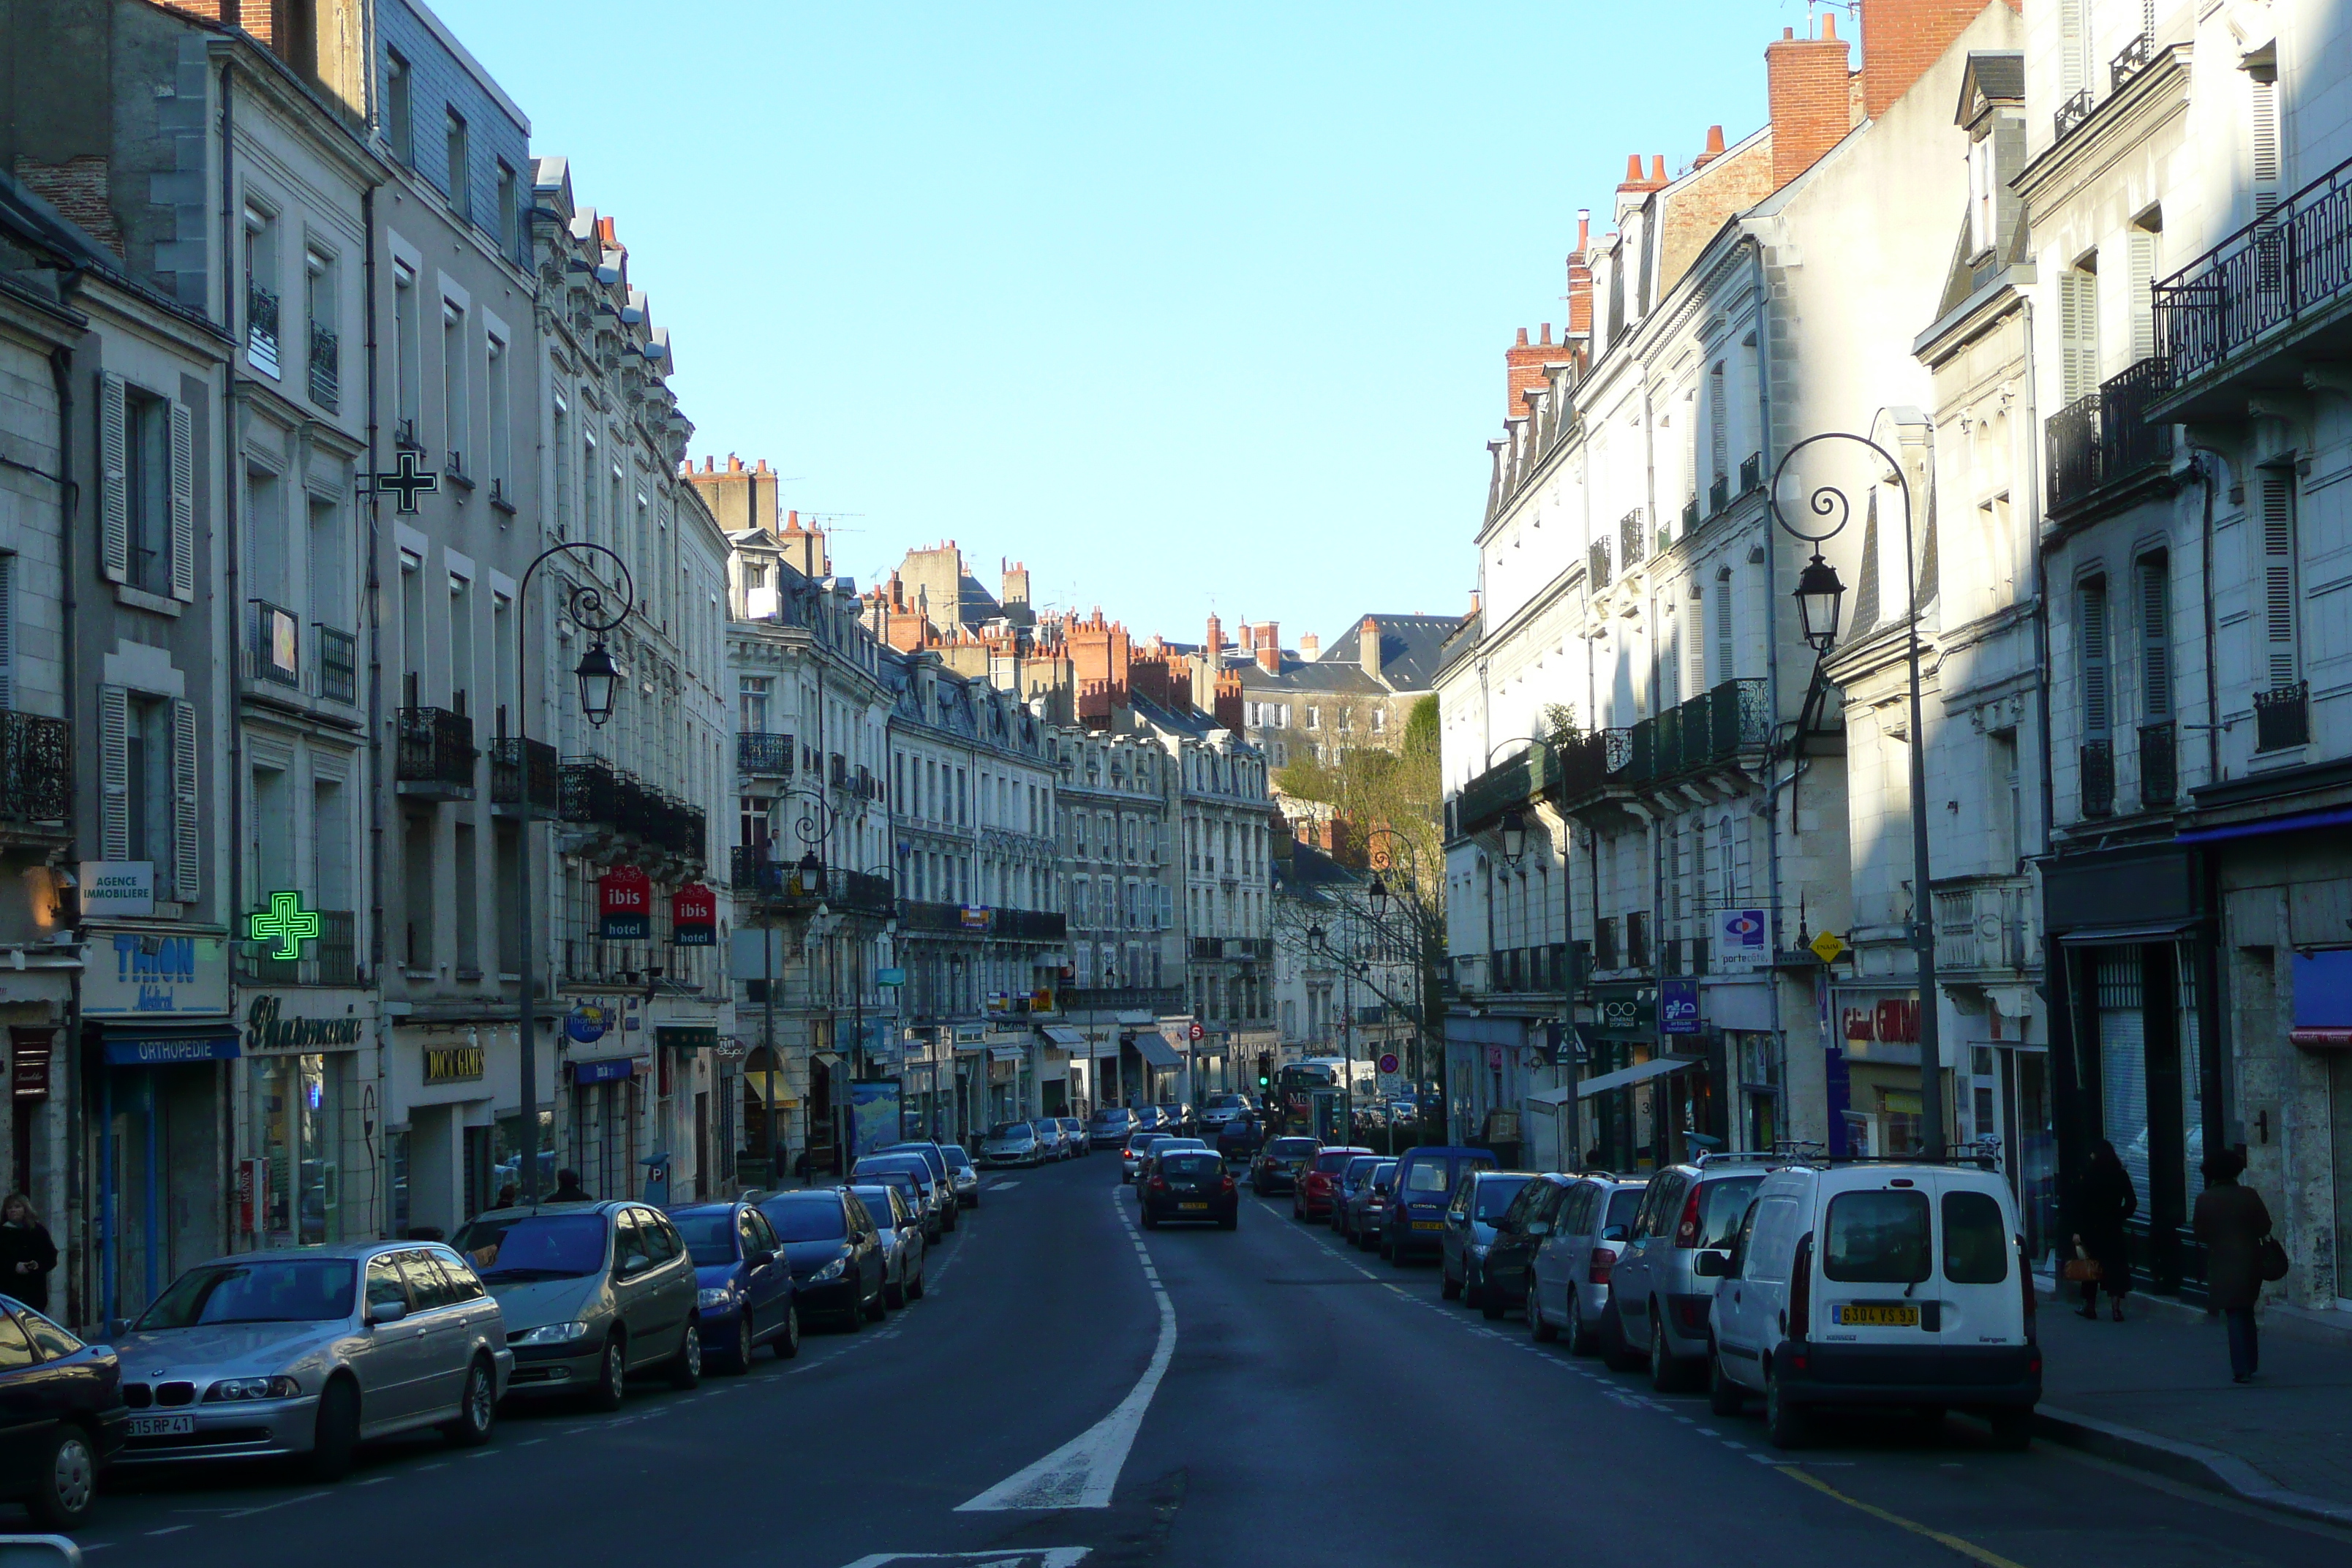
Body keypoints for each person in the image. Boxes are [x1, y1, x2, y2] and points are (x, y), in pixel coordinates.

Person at [2193, 1147, 2274, 1384]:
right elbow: (2265, 1226)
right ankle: (2250, 1360)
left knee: (2234, 1311)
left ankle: (2242, 1366)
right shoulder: (2248, 1195)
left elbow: (2200, 1233)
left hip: (2221, 1260)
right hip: (2250, 1258)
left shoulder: (2204, 1199)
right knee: (2246, 1308)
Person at [2069, 1139, 2137, 1320]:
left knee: (2091, 1267)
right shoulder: (2120, 1174)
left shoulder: (2088, 1175)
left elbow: (2080, 1205)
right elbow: (2131, 1202)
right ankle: (2116, 1308)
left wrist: (2077, 1230)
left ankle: (2089, 1306)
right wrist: (2118, 1215)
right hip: (2113, 1228)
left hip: (2091, 1228)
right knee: (2115, 1269)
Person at [0, 1194, 58, 1313]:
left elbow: (50, 1256)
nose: (13, 1210)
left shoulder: (37, 1231)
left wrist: (37, 1265)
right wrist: (14, 1267)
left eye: (17, 1207)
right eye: (10, 1208)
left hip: (34, 1294)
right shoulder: (2, 1233)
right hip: (7, 1294)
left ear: (25, 1209)